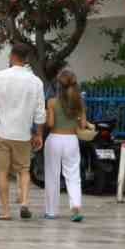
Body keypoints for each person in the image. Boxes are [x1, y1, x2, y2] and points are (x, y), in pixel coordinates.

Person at [0, 47, 45, 221]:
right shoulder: (36, 81)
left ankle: (6, 211)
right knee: (24, 170)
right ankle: (24, 203)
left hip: (1, 132)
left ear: (12, 57)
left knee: (2, 172)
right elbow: (40, 112)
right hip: (23, 134)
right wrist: (38, 134)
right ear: (26, 59)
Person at [43, 68, 87, 222]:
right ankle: (76, 207)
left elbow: (50, 123)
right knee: (73, 175)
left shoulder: (52, 102)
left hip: (55, 139)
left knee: (52, 176)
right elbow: (82, 125)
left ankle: (51, 211)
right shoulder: (79, 102)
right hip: (72, 140)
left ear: (58, 86)